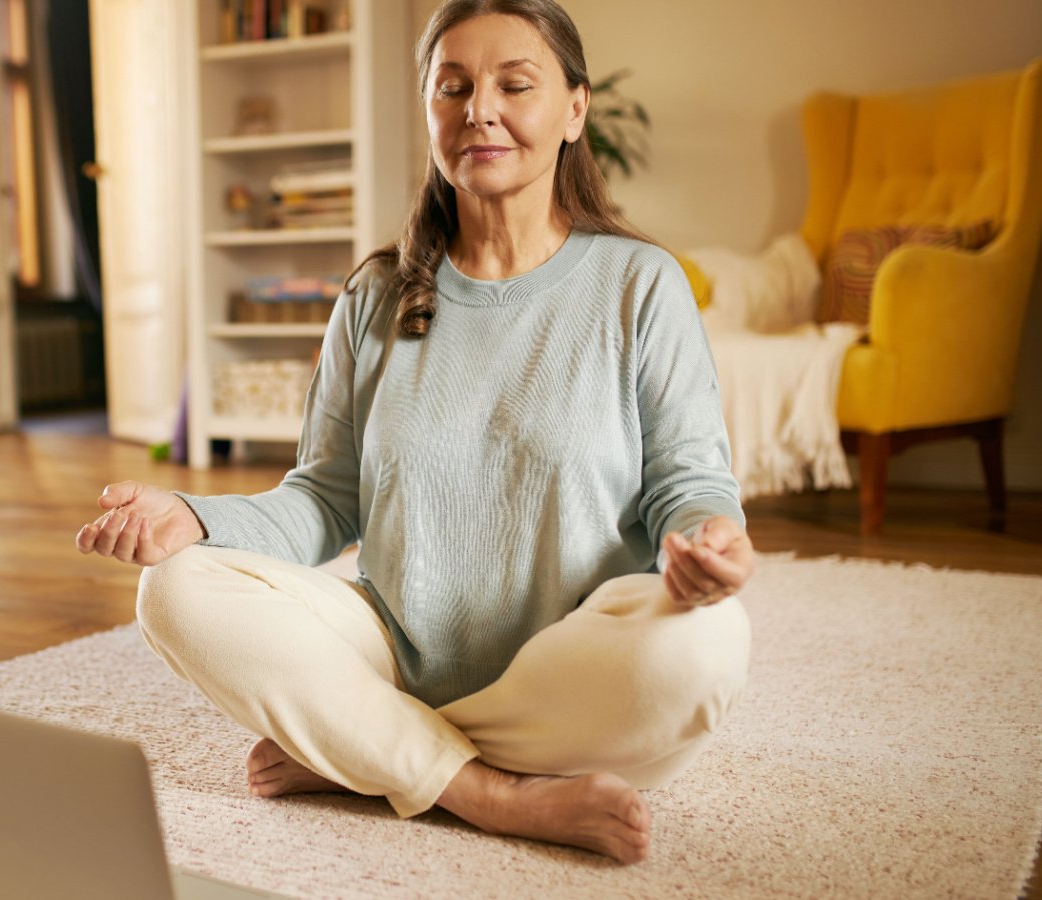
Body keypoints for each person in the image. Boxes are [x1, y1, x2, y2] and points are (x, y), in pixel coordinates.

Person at [76, 0, 756, 865]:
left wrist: (709, 541)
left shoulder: (639, 284)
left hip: (575, 671)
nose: (479, 109)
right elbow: (324, 500)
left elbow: (689, 479)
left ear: (574, 110)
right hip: (397, 650)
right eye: (453, 87)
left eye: (515, 84)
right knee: (174, 592)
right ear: (431, 112)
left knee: (708, 644)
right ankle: (488, 792)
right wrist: (192, 518)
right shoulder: (377, 296)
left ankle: (373, 751)